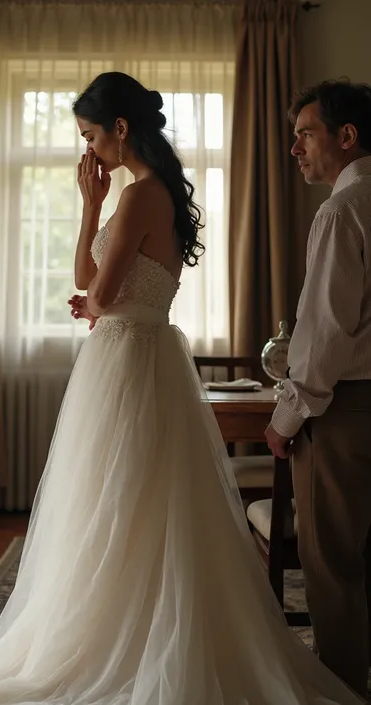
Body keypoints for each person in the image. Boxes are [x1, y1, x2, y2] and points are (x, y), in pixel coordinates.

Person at [0, 72, 365, 705]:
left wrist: (93, 300)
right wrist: (90, 211)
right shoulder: (143, 193)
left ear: (119, 129)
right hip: (137, 353)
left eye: (90, 134)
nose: (87, 149)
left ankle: (124, 636)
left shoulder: (144, 196)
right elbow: (94, 285)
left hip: (126, 358)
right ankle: (134, 623)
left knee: (120, 499)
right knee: (124, 500)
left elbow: (99, 294)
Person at [265, 79, 371, 698]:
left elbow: (324, 336)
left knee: (332, 566)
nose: (296, 148)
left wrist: (284, 422)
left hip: (345, 412)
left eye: (305, 133)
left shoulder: (342, 210)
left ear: (345, 136)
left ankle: (342, 693)